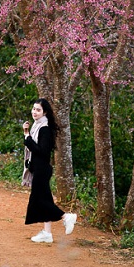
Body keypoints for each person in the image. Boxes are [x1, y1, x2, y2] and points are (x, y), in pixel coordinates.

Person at [22, 99, 77, 244]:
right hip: (39, 169)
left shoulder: (44, 129)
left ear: (44, 112)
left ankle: (66, 217)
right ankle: (47, 233)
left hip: (42, 170)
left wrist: (27, 138)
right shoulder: (37, 127)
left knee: (39, 200)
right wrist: (27, 133)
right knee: (45, 200)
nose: (34, 112)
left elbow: (42, 151)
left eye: (38, 110)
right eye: (34, 109)